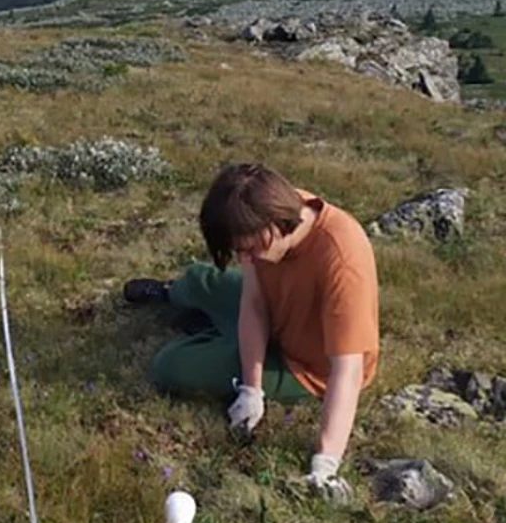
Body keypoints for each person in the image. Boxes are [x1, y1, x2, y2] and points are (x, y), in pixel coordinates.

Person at [130, 162, 379, 501]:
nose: (244, 258)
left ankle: (215, 335)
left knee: (171, 365)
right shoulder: (268, 217)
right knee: (198, 279)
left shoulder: (342, 259)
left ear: (277, 224)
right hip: (277, 314)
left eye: (249, 250)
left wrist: (325, 464)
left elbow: (346, 372)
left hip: (307, 365)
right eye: (238, 251)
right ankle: (178, 299)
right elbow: (254, 303)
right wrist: (251, 388)